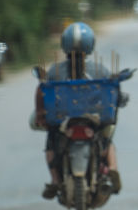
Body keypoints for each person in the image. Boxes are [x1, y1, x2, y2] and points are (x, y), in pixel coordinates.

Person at [35, 22, 124, 199]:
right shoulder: (100, 70)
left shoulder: (55, 71)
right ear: (91, 44)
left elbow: (41, 90)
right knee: (107, 139)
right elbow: (112, 92)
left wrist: (40, 112)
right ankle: (113, 168)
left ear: (64, 45)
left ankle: (54, 180)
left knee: (51, 142)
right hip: (93, 119)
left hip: (64, 121)